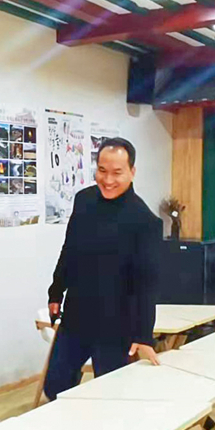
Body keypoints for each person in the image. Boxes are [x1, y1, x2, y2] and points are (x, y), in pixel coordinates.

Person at [44, 137, 162, 401]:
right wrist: (55, 292)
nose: (108, 180)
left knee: (110, 396)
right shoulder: (84, 200)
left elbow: (147, 284)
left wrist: (144, 335)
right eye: (102, 170)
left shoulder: (145, 221)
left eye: (117, 172)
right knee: (55, 387)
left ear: (132, 172)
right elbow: (69, 249)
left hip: (116, 324)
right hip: (77, 315)